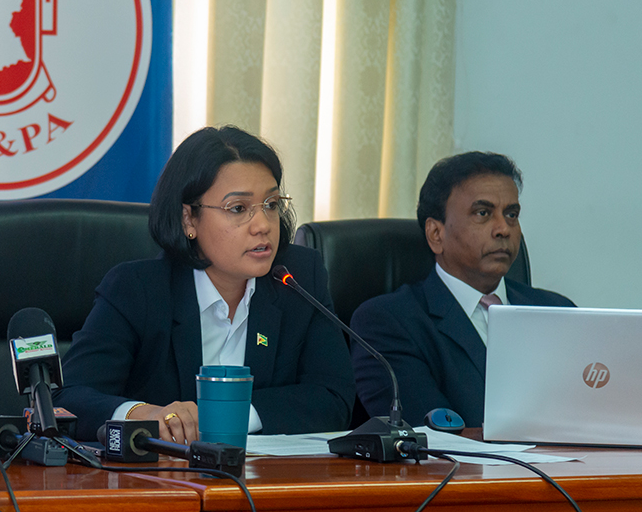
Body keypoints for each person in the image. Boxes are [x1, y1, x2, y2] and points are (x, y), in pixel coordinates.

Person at [53, 126, 355, 442]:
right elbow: (68, 399)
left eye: (271, 204)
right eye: (238, 209)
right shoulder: (137, 290)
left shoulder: (298, 280)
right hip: (162, 484)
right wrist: (142, 414)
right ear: (188, 220)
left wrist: (223, 417)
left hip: (266, 481)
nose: (263, 225)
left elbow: (334, 397)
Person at [350, 152, 574, 427]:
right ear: (436, 234)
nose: (503, 228)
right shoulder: (387, 323)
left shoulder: (559, 312)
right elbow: (431, 435)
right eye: (483, 213)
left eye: (511, 214)